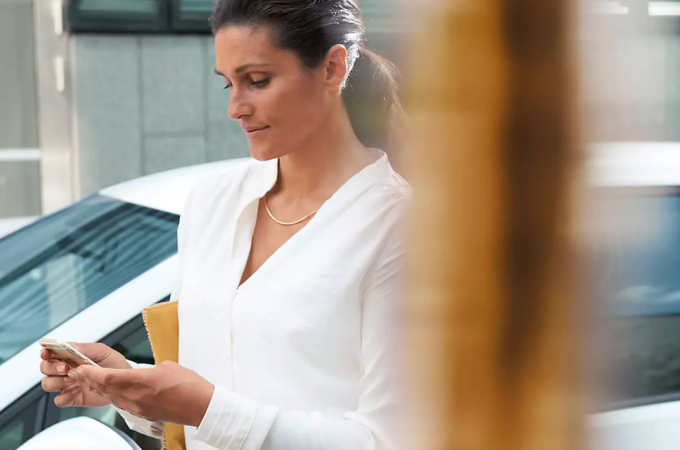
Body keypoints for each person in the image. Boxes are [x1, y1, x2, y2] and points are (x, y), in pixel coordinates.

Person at [39, 0, 410, 448]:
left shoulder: (403, 230)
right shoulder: (211, 203)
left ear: (333, 68)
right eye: (227, 84)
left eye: (257, 81)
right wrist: (128, 386)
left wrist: (204, 407)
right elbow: (205, 402)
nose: (235, 108)